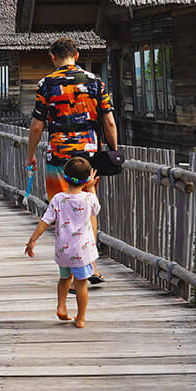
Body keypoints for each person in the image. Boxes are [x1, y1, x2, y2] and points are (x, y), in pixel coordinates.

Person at [26, 37, 118, 284]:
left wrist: (30, 154)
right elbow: (109, 121)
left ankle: (69, 270)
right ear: (76, 55)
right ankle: (92, 266)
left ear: (53, 57)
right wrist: (113, 149)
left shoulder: (46, 84)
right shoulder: (96, 82)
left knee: (62, 211)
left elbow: (37, 126)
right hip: (89, 155)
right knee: (87, 207)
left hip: (59, 155)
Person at [24, 156, 100, 328]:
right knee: (80, 284)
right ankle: (80, 318)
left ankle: (61, 305)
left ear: (65, 177)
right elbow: (97, 209)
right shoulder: (88, 199)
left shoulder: (58, 199)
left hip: (63, 251)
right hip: (82, 251)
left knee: (64, 278)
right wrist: (91, 188)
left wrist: (32, 240)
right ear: (87, 179)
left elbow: (45, 220)